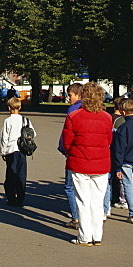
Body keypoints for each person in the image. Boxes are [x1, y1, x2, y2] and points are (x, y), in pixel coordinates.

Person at [60, 82, 113, 246]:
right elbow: (108, 140)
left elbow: (67, 142)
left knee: (83, 201)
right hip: (101, 163)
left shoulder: (74, 116)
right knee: (97, 202)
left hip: (80, 162)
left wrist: (73, 152)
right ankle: (97, 236)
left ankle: (84, 236)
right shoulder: (107, 117)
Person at [0, 95, 35, 207]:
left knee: (11, 175)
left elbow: (4, 137)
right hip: (23, 150)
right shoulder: (25, 120)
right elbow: (33, 133)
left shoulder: (8, 121)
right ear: (19, 108)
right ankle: (21, 198)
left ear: (9, 107)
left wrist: (3, 151)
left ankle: (11, 199)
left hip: (11, 150)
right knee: (21, 175)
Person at [58, 81, 83, 229]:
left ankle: (76, 217)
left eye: (70, 95)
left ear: (78, 95)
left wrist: (63, 148)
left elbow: (67, 132)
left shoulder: (73, 110)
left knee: (69, 186)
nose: (69, 98)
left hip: (74, 151)